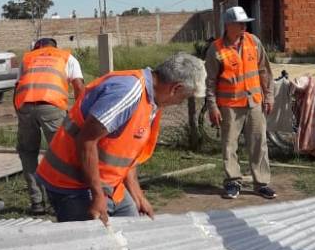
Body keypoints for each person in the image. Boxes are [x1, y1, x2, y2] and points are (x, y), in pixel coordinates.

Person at [36, 51, 205, 223]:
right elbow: (86, 140)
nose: (180, 103)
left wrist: (138, 196)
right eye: (184, 97)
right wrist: (97, 195)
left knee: (132, 231)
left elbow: (125, 153)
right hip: (73, 186)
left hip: (109, 185)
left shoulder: (151, 101)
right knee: (94, 245)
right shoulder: (128, 92)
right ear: (175, 88)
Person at [205, 6, 276, 200]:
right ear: (228, 25)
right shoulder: (216, 49)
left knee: (258, 143)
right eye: (240, 22)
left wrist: (269, 96)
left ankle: (261, 183)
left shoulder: (254, 42)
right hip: (229, 106)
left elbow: (264, 71)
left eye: (245, 22)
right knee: (229, 145)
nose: (244, 26)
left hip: (254, 102)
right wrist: (212, 106)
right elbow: (210, 81)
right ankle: (232, 182)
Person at [14, 37, 85, 216]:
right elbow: (78, 86)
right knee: (59, 154)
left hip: (26, 107)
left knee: (28, 153)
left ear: (37, 47)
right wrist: (80, 114)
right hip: (52, 107)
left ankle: (37, 203)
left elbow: (17, 87)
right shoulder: (66, 57)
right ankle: (60, 201)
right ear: (55, 47)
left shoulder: (28, 58)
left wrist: (20, 113)